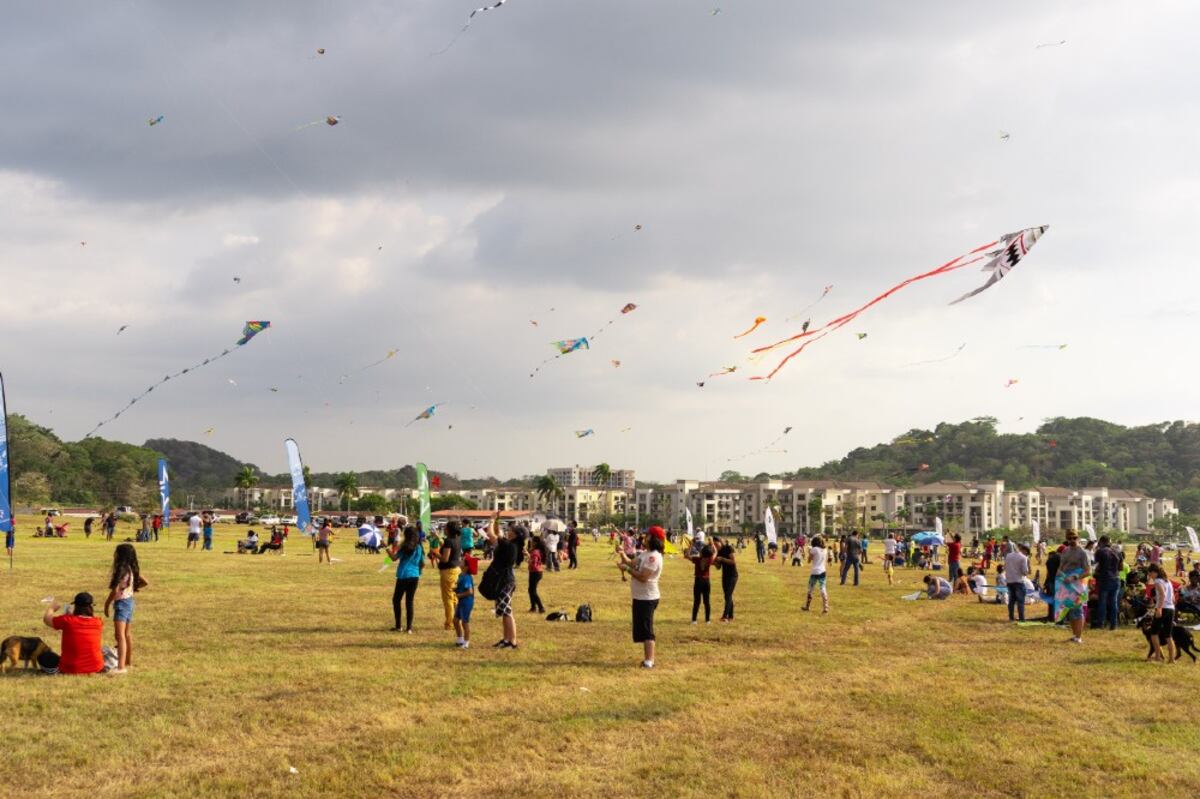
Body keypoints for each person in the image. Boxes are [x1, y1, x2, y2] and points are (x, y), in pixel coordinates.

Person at [619, 526, 664, 669]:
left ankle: (649, 661)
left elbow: (643, 577)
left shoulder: (653, 557)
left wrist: (626, 570)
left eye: (648, 535)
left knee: (647, 629)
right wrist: (622, 554)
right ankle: (646, 659)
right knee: (642, 629)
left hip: (648, 597)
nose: (645, 537)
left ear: (653, 538)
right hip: (640, 597)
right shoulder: (645, 554)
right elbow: (631, 563)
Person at [103, 543, 144, 673]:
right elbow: (145, 582)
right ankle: (127, 662)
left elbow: (115, 590)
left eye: (116, 553)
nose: (114, 555)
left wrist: (107, 604)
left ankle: (120, 667)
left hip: (121, 604)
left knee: (119, 636)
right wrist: (131, 589)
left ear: (120, 556)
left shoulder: (121, 570)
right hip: (130, 602)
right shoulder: (131, 569)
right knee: (126, 635)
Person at [43, 592, 105, 675]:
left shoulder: (67, 621)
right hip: (96, 667)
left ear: (75, 606)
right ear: (91, 606)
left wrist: (52, 609)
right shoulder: (98, 622)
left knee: (44, 657)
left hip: (71, 668)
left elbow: (47, 619)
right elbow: (84, 621)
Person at [484, 520, 520, 649]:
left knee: (507, 612)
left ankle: (513, 641)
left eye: (510, 530)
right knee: (503, 611)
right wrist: (496, 521)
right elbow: (497, 533)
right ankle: (506, 639)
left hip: (505, 582)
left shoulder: (509, 545)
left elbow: (491, 534)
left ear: (514, 534)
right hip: (505, 580)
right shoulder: (511, 544)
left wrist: (492, 519)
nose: (508, 531)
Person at [387, 526, 424, 632]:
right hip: (414, 576)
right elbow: (422, 563)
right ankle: (409, 628)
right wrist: (419, 572)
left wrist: (386, 548)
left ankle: (398, 626)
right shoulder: (419, 547)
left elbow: (394, 558)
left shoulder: (405, 547)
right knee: (409, 601)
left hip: (403, 576)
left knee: (396, 600)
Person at [1058, 531, 1091, 644]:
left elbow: (1088, 571)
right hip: (1066, 584)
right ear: (1066, 538)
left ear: (1078, 538)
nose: (1072, 540)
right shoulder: (1065, 551)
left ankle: (1079, 637)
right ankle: (1075, 635)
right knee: (1070, 609)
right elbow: (1061, 567)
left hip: (1078, 585)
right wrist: (1059, 574)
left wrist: (1075, 577)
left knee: (1078, 610)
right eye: (1069, 538)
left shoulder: (1082, 552)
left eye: (1074, 538)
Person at [432, 522, 463, 632]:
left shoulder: (449, 541)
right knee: (454, 597)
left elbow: (445, 558)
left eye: (445, 528)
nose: (444, 529)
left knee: (448, 599)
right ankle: (457, 620)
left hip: (448, 572)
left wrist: (435, 553)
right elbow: (446, 546)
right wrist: (438, 538)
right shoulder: (458, 539)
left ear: (449, 530)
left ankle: (449, 624)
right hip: (456, 570)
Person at [1147, 564, 1176, 663]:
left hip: (1162, 608)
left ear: (1154, 572)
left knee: (1154, 633)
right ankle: (1172, 659)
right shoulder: (1168, 581)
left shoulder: (1158, 581)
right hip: (1171, 608)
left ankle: (1158, 657)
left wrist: (1159, 608)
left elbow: (1162, 595)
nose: (1150, 576)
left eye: (1150, 573)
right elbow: (1172, 598)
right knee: (1168, 635)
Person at [1093, 536, 1122, 631]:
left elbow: (1095, 565)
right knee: (1114, 603)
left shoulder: (1100, 551)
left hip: (1105, 579)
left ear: (1101, 542)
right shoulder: (1117, 552)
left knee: (1102, 602)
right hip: (1116, 578)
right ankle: (1114, 625)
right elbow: (1120, 567)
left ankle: (1101, 624)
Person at [684, 540, 716, 624]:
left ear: (701, 553)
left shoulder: (697, 559)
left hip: (698, 581)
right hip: (706, 581)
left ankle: (694, 620)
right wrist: (712, 544)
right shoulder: (710, 560)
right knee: (707, 601)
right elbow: (715, 552)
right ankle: (707, 620)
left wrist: (690, 546)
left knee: (697, 601)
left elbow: (687, 555)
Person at [712, 536, 738, 622]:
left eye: (716, 544)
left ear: (720, 541)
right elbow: (719, 567)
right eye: (714, 545)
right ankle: (730, 616)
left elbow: (733, 561)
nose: (716, 546)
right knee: (727, 596)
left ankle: (725, 616)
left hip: (733, 575)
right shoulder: (718, 552)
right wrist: (714, 563)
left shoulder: (728, 548)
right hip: (725, 575)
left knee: (728, 595)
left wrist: (722, 559)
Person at [803, 535, 829, 613]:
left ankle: (807, 606)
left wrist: (809, 551)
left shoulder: (814, 549)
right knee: (823, 589)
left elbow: (809, 560)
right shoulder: (825, 550)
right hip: (823, 571)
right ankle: (826, 607)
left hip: (814, 571)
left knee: (810, 589)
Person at [1004, 544, 1030, 622]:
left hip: (1009, 581)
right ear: (1024, 550)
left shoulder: (1008, 555)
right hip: (1019, 581)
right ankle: (1021, 618)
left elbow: (1006, 566)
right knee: (1020, 601)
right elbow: (1025, 572)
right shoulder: (1023, 557)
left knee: (1011, 601)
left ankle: (1011, 617)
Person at [454, 565, 474, 649]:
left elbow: (469, 592)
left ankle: (466, 643)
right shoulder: (461, 575)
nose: (460, 560)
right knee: (455, 620)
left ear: (466, 567)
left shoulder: (467, 578)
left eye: (462, 560)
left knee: (464, 622)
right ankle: (460, 639)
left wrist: (459, 595)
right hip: (461, 601)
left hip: (466, 602)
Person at [527, 534, 547, 613]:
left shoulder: (535, 551)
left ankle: (541, 607)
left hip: (535, 573)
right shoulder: (537, 551)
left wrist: (529, 561)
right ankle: (533, 607)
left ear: (535, 543)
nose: (531, 542)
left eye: (532, 541)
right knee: (531, 590)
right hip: (536, 572)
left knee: (532, 591)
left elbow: (534, 563)